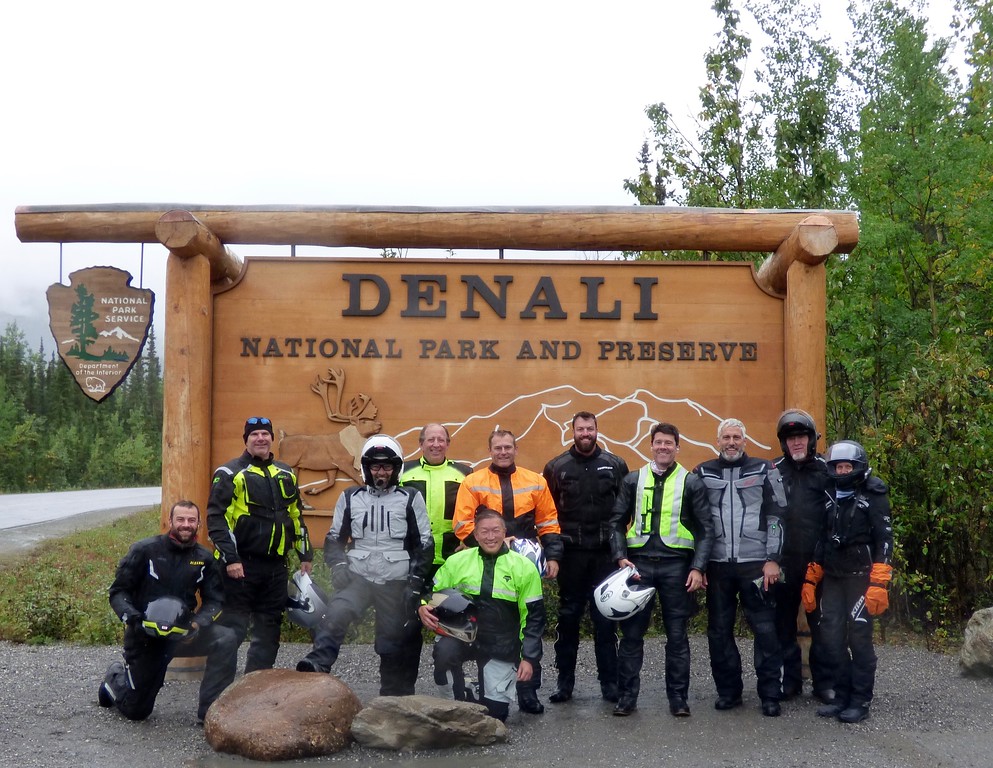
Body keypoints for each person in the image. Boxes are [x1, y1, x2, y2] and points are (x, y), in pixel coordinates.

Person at [296, 434, 434, 695]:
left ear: (396, 468)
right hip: (358, 576)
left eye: (386, 466)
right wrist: (338, 566)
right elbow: (334, 538)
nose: (381, 471)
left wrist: (415, 584)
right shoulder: (350, 496)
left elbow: (424, 545)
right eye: (375, 466)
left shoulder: (410, 497)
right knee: (335, 613)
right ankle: (316, 664)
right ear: (366, 468)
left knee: (391, 639)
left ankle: (391, 697)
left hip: (395, 580)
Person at [452, 428, 564, 715]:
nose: (503, 452)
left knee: (528, 624)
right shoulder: (473, 481)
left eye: (508, 448)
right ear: (490, 451)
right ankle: (488, 688)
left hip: (524, 564)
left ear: (515, 450)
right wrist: (495, 542)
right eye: (498, 448)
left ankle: (528, 692)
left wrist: (553, 556)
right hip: (485, 562)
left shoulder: (535, 481)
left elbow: (549, 522)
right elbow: (462, 524)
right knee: (491, 625)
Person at [607, 422, 715, 716]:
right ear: (651, 445)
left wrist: (698, 567)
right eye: (659, 443)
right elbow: (616, 521)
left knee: (677, 636)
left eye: (669, 443)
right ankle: (627, 697)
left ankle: (678, 699)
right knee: (631, 636)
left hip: (677, 568)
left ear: (677, 447)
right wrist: (620, 557)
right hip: (638, 566)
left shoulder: (691, 482)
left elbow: (706, 529)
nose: (663, 447)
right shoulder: (632, 480)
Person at [98, 500, 238, 722]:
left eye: (191, 520)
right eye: (180, 519)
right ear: (170, 521)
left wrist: (198, 623)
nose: (186, 525)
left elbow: (215, 600)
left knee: (227, 638)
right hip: (146, 635)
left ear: (199, 524)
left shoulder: (204, 558)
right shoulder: (144, 550)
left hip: (184, 635)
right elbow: (118, 592)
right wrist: (135, 620)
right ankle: (114, 679)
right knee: (137, 712)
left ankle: (210, 710)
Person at [204, 417, 313, 694]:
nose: (261, 438)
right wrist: (231, 559)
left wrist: (305, 553)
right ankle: (214, 701)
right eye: (255, 435)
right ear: (246, 440)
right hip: (240, 568)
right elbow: (217, 520)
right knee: (230, 634)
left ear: (272, 438)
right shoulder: (228, 473)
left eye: (265, 434)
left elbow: (296, 516)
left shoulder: (286, 473)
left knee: (268, 633)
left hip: (275, 568)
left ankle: (252, 695)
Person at [695, 417, 787, 717]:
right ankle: (728, 692)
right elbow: (696, 521)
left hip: (756, 565)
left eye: (736, 437)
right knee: (719, 633)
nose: (731, 442)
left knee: (765, 630)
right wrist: (700, 564)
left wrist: (773, 559)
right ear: (717, 441)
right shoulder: (703, 471)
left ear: (744, 441)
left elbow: (778, 515)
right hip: (718, 565)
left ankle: (770, 695)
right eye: (726, 437)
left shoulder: (765, 468)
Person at [419, 508, 545, 722]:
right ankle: (455, 699)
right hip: (461, 635)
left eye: (496, 531)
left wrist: (529, 659)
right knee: (444, 654)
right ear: (475, 535)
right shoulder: (458, 561)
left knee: (496, 716)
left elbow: (533, 617)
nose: (490, 537)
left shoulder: (524, 567)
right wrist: (422, 605)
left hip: (501, 643)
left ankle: (478, 687)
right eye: (484, 532)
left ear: (504, 532)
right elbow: (431, 591)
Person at [803, 440, 893, 724]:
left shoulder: (874, 494)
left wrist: (879, 582)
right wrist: (812, 575)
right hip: (833, 578)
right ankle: (841, 695)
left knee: (860, 639)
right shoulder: (830, 495)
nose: (842, 471)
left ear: (858, 467)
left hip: (861, 580)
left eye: (847, 466)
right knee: (830, 638)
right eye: (838, 466)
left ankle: (860, 699)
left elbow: (885, 540)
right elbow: (822, 537)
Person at [542, 411, 629, 704]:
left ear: (597, 430)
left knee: (605, 621)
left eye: (589, 429)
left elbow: (623, 512)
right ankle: (564, 683)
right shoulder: (556, 467)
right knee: (568, 622)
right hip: (572, 556)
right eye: (580, 429)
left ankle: (610, 683)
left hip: (605, 555)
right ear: (573, 432)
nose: (585, 434)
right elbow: (548, 513)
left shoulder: (615, 464)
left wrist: (620, 552)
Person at [399, 423, 471, 693]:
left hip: (449, 562)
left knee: (451, 623)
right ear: (421, 443)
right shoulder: (404, 471)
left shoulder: (464, 473)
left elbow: (473, 512)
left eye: (441, 439)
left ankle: (448, 679)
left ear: (448, 443)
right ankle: (404, 687)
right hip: (414, 562)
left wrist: (466, 543)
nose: (436, 444)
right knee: (410, 625)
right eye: (431, 439)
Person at [772, 409, 834, 703]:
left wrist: (822, 560)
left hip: (817, 563)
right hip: (783, 563)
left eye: (801, 437)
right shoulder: (772, 471)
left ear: (812, 439)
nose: (797, 443)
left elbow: (834, 518)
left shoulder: (826, 471)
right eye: (791, 438)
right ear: (784, 443)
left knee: (822, 623)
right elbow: (764, 516)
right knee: (782, 623)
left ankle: (824, 682)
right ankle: (791, 681)